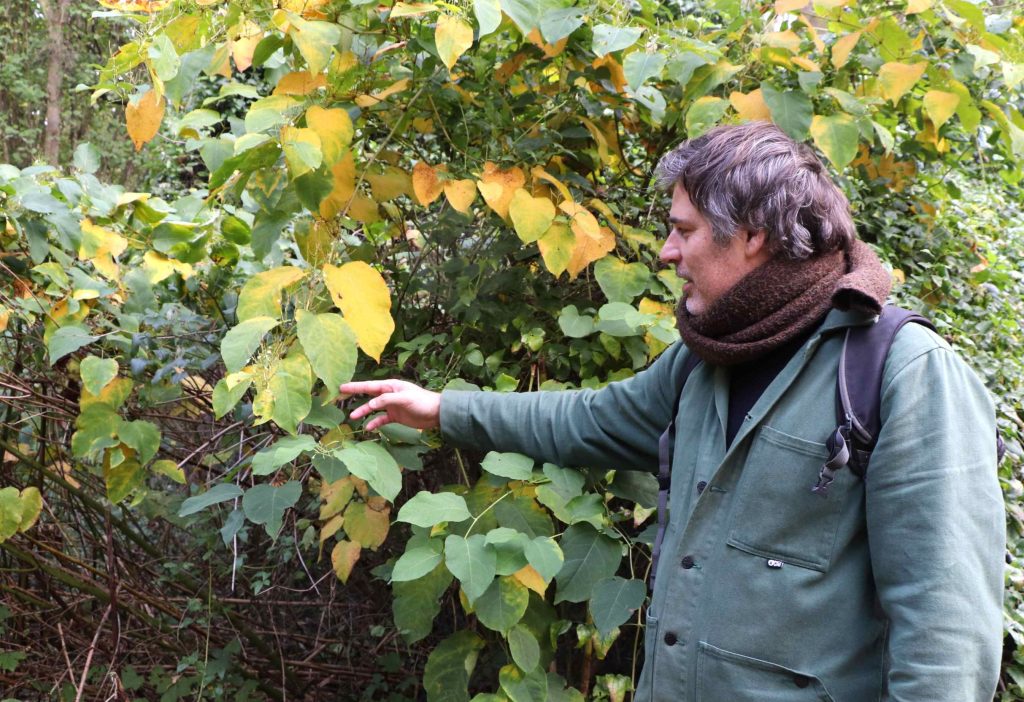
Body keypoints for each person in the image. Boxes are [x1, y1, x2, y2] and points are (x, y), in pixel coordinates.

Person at [341, 122, 1004, 701]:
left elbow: (945, 627)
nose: (666, 252)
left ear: (753, 235)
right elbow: (589, 421)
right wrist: (443, 411)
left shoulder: (900, 373)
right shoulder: (707, 359)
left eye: (683, 231)